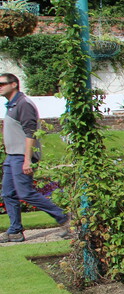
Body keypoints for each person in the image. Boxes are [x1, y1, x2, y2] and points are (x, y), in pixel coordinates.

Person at [1, 73, 69, 242]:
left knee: (25, 192)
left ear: (14, 84)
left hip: (21, 156)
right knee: (8, 193)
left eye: (2, 84)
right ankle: (15, 230)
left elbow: (30, 133)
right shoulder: (12, 104)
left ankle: (66, 219)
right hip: (11, 156)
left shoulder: (23, 104)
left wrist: (27, 159)